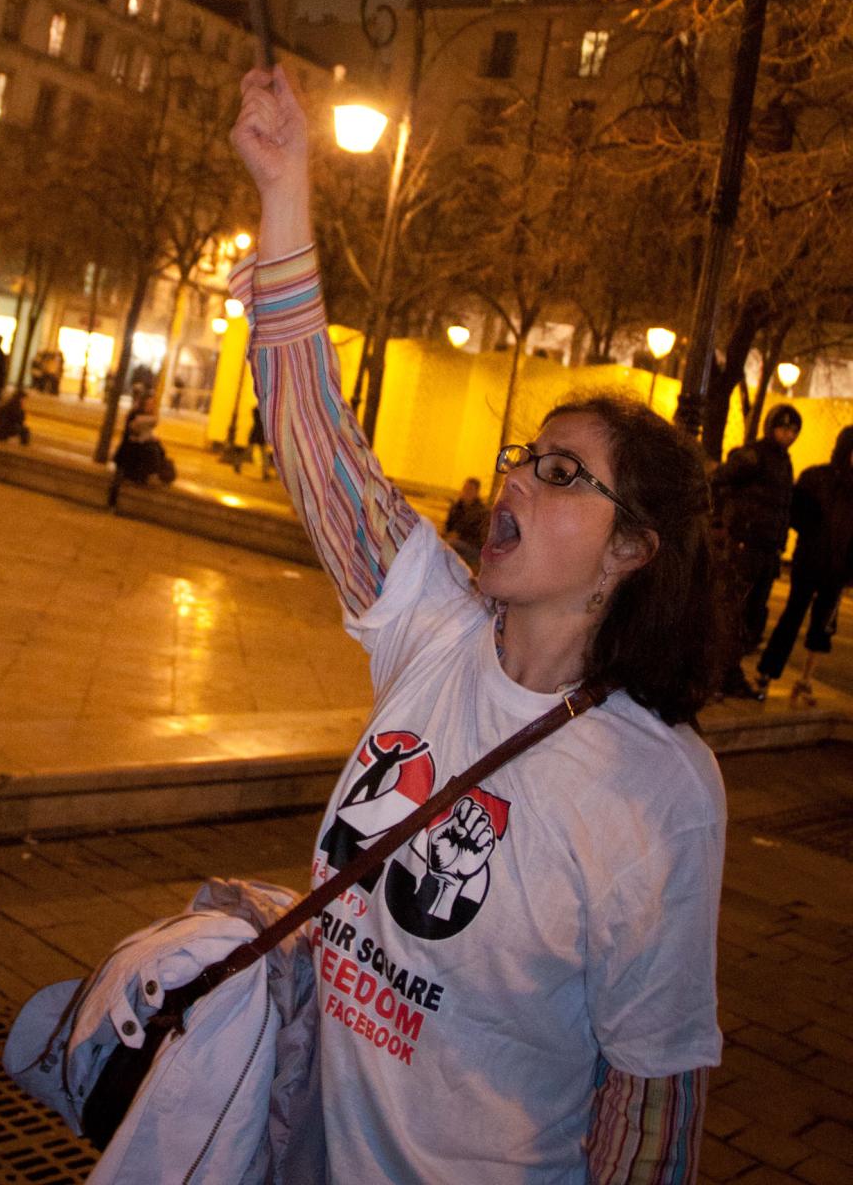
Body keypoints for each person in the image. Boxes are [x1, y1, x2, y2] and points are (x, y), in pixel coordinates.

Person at [229, 65, 725, 1185]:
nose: (514, 483)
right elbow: (315, 435)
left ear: (633, 550)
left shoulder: (662, 794)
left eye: (561, 475)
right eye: (522, 457)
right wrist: (286, 184)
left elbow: (652, 1104)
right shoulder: (434, 629)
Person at [757, 424, 853, 706]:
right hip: (810, 561)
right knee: (791, 617)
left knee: (823, 627)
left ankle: (806, 679)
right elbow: (796, 513)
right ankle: (767, 674)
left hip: (838, 568)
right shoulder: (817, 477)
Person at [711, 402, 802, 698]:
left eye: (793, 430)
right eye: (783, 427)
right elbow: (718, 481)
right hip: (745, 546)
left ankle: (730, 674)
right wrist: (723, 524)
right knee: (732, 612)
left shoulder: (783, 461)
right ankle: (718, 676)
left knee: (752, 616)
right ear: (771, 427)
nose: (788, 434)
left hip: (766, 549)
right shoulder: (754, 455)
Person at [108, 384, 176, 504]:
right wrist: (142, 436)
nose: (151, 407)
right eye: (149, 404)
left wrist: (150, 438)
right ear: (143, 404)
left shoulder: (149, 416)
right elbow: (130, 435)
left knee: (157, 447)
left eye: (152, 405)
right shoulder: (134, 415)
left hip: (140, 445)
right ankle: (150, 474)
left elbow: (146, 433)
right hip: (129, 450)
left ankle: (155, 473)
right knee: (151, 449)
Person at [443, 476, 490, 569]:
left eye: (470, 489)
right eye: (465, 488)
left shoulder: (481, 512)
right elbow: (448, 527)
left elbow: (480, 538)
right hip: (454, 542)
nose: (466, 492)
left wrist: (459, 536)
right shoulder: (456, 508)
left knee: (450, 544)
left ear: (476, 492)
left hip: (473, 548)